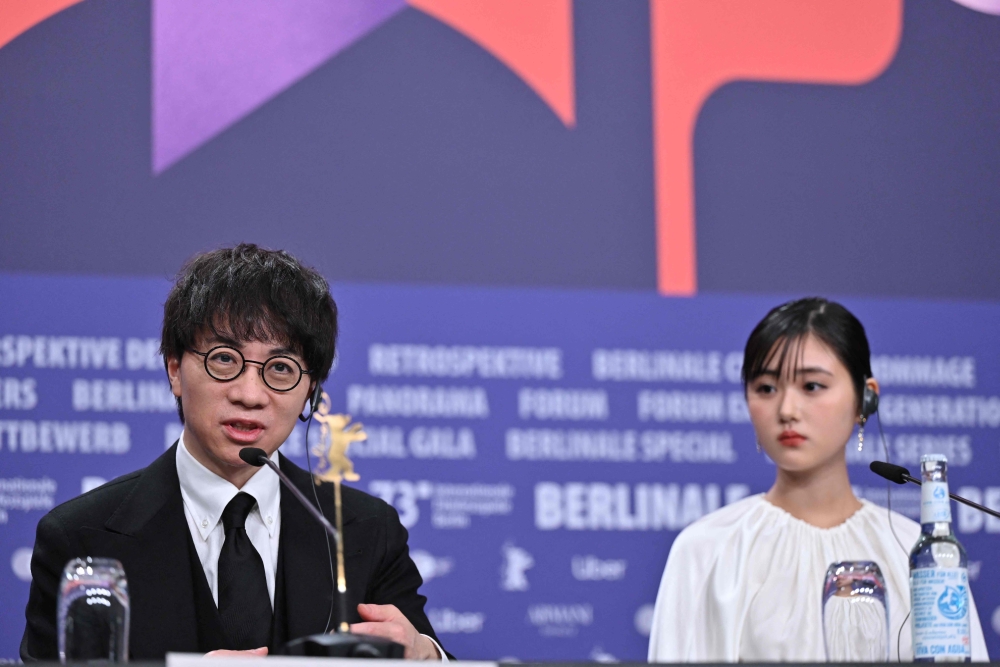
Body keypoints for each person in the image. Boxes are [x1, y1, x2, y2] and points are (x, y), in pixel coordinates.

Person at [21, 244, 449, 661]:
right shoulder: (82, 537)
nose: (249, 394)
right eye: (224, 359)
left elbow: (419, 647)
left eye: (280, 368)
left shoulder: (362, 531)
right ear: (174, 369)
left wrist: (426, 654)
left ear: (310, 392)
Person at [647, 297, 988, 662]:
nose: (786, 410)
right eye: (766, 388)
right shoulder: (708, 549)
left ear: (865, 399)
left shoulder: (917, 554)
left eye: (811, 386)